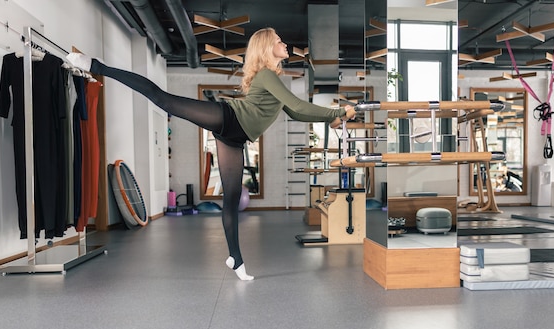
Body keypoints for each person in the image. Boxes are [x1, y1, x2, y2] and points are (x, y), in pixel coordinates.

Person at [66, 27, 356, 281]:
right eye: (279, 40)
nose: (285, 45)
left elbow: (295, 111)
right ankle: (96, 65)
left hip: (236, 138)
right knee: (163, 100)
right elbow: (299, 105)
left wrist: (330, 117)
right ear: (267, 47)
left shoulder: (273, 78)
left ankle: (235, 259)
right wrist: (339, 111)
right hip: (228, 119)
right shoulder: (267, 74)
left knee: (230, 200)